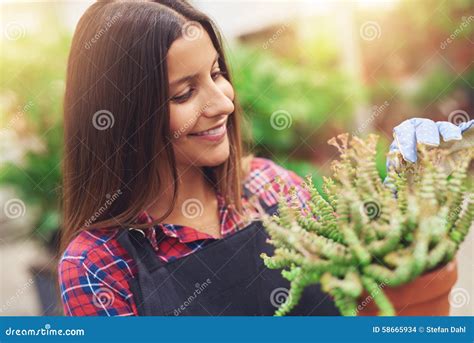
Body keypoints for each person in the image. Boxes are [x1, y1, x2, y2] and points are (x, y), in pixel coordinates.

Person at [58, 0, 473, 316]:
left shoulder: (267, 185)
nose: (222, 102)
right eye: (184, 93)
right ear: (123, 116)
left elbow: (371, 291)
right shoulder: (96, 264)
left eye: (217, 74)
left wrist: (411, 192)